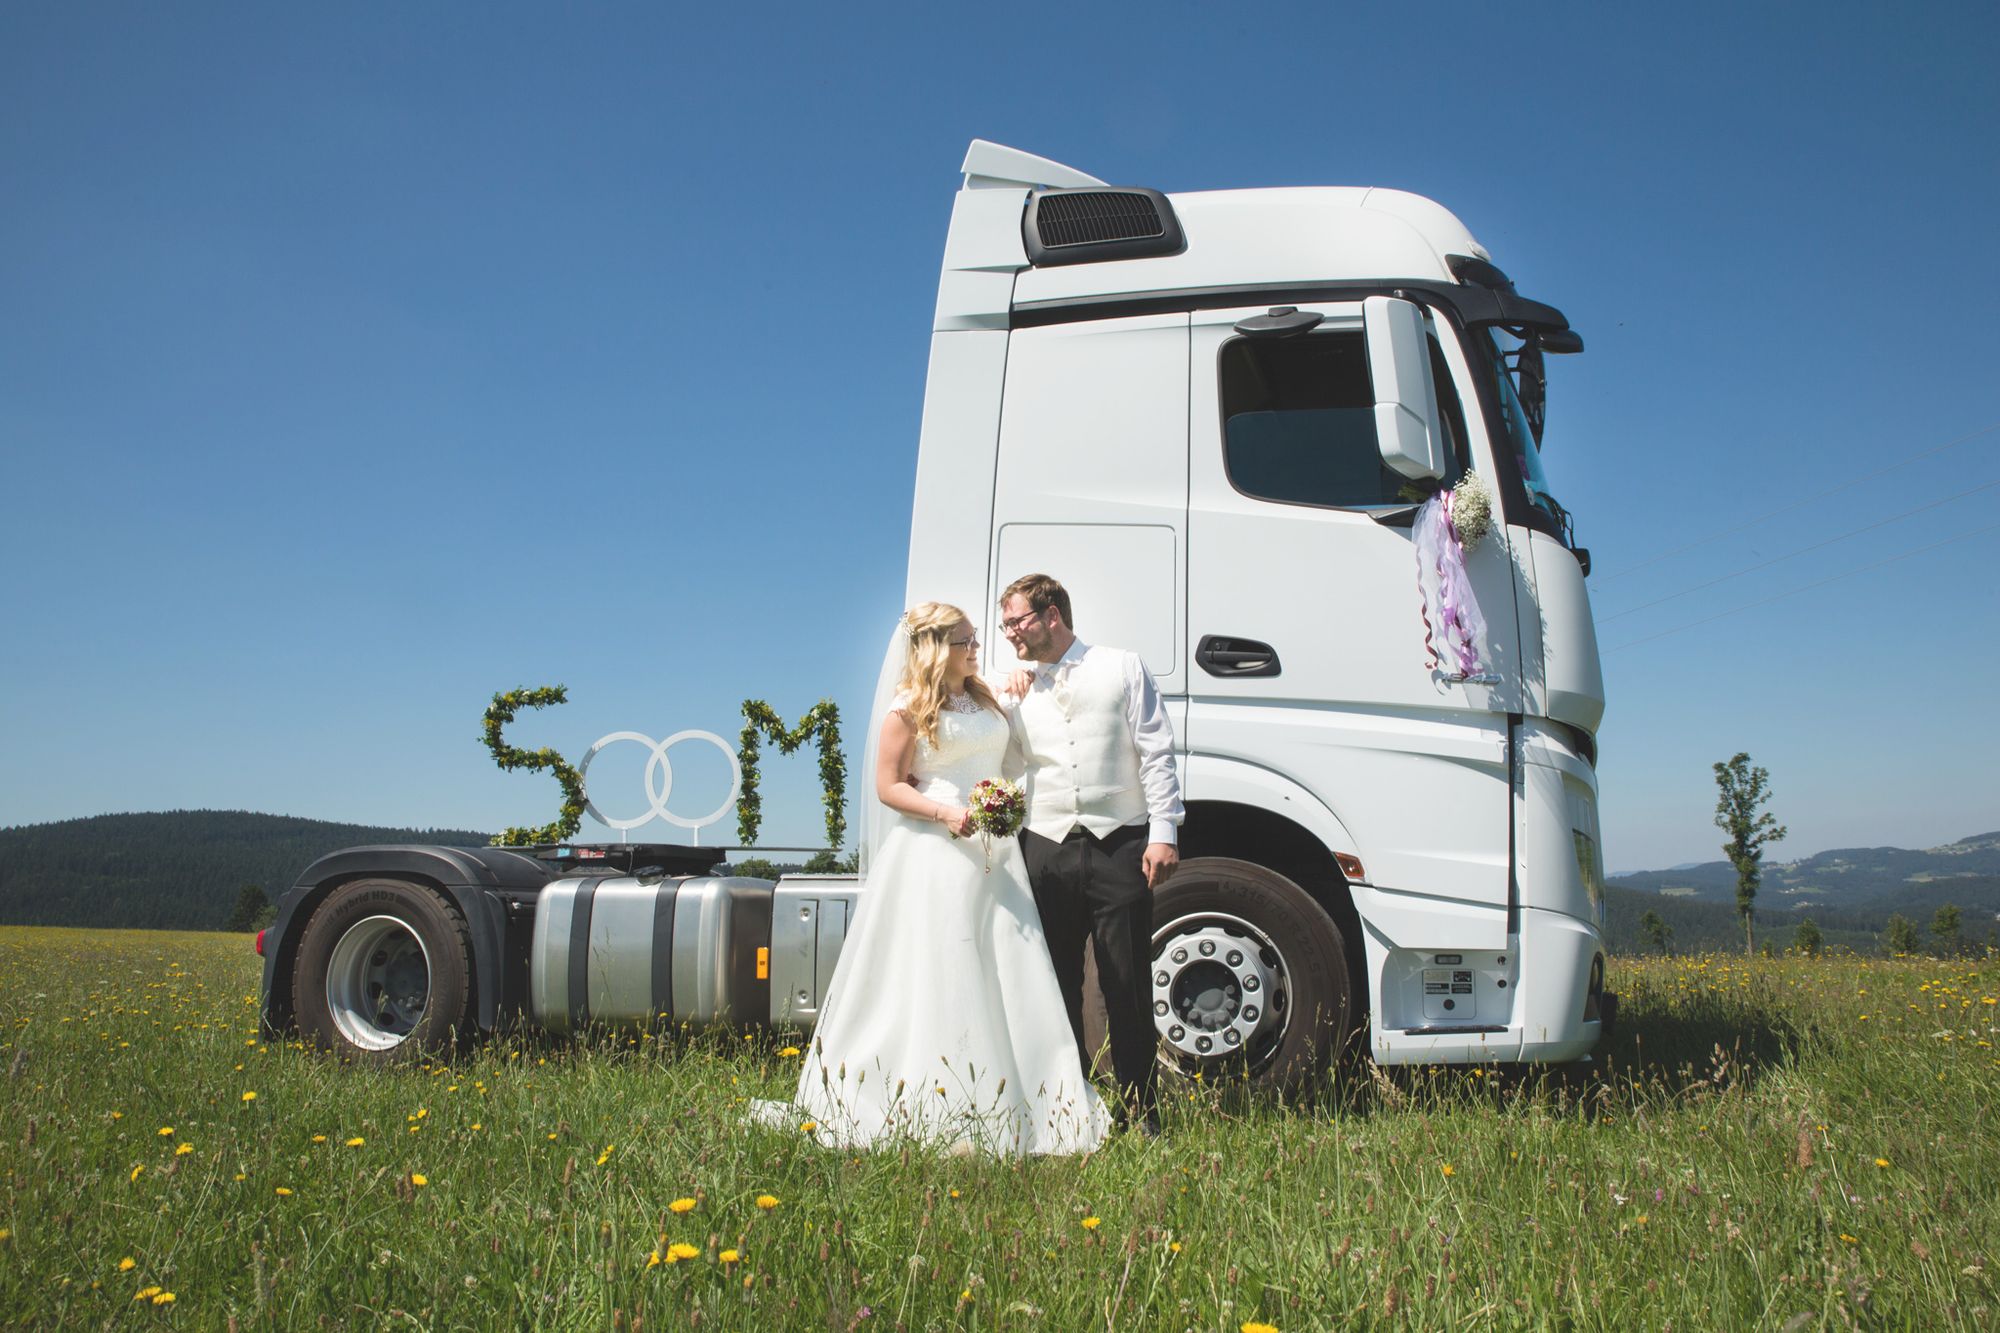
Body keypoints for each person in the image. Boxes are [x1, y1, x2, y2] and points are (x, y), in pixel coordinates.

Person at [758, 602, 1109, 1156]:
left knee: (1007, 965)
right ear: (934, 648)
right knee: (946, 964)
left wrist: (1024, 678)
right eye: (966, 640)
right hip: (935, 848)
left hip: (994, 849)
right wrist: (946, 813)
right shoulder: (907, 709)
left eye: (974, 639)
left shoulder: (986, 694)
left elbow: (1019, 724)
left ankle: (1030, 1097)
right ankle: (936, 1099)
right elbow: (888, 785)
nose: (976, 648)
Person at [999, 573, 1183, 1138]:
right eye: (1005, 625)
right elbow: (1005, 765)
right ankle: (1070, 1113)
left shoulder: (1123, 666)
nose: (1010, 634)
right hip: (1045, 846)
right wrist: (1005, 701)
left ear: (1052, 615)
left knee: (1125, 981)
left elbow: (1156, 751)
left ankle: (1142, 1111)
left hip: (1120, 844)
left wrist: (1164, 831)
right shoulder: (1014, 688)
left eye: (1016, 622)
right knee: (1054, 985)